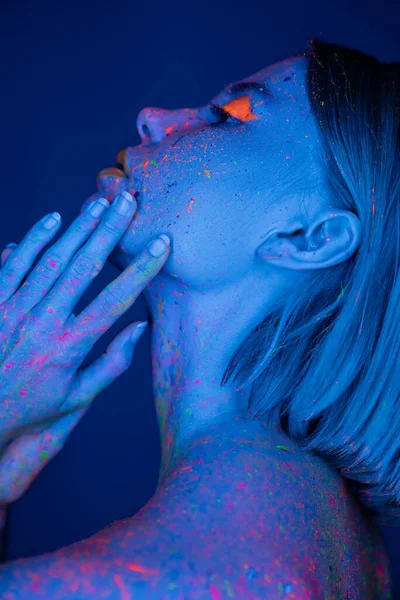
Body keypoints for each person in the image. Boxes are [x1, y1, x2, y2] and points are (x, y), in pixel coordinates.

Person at [0, 36, 396, 598]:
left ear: (309, 237)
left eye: (229, 116)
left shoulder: (128, 585)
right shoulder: (353, 554)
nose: (153, 119)